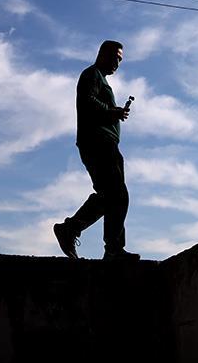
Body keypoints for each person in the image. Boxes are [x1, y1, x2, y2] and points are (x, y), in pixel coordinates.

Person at [53, 40, 140, 262]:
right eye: (115, 58)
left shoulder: (99, 78)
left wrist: (113, 113)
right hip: (98, 142)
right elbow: (87, 101)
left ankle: (71, 229)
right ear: (102, 54)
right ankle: (112, 249)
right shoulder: (91, 75)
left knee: (110, 196)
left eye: (120, 60)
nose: (117, 64)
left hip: (105, 143)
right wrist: (112, 112)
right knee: (117, 195)